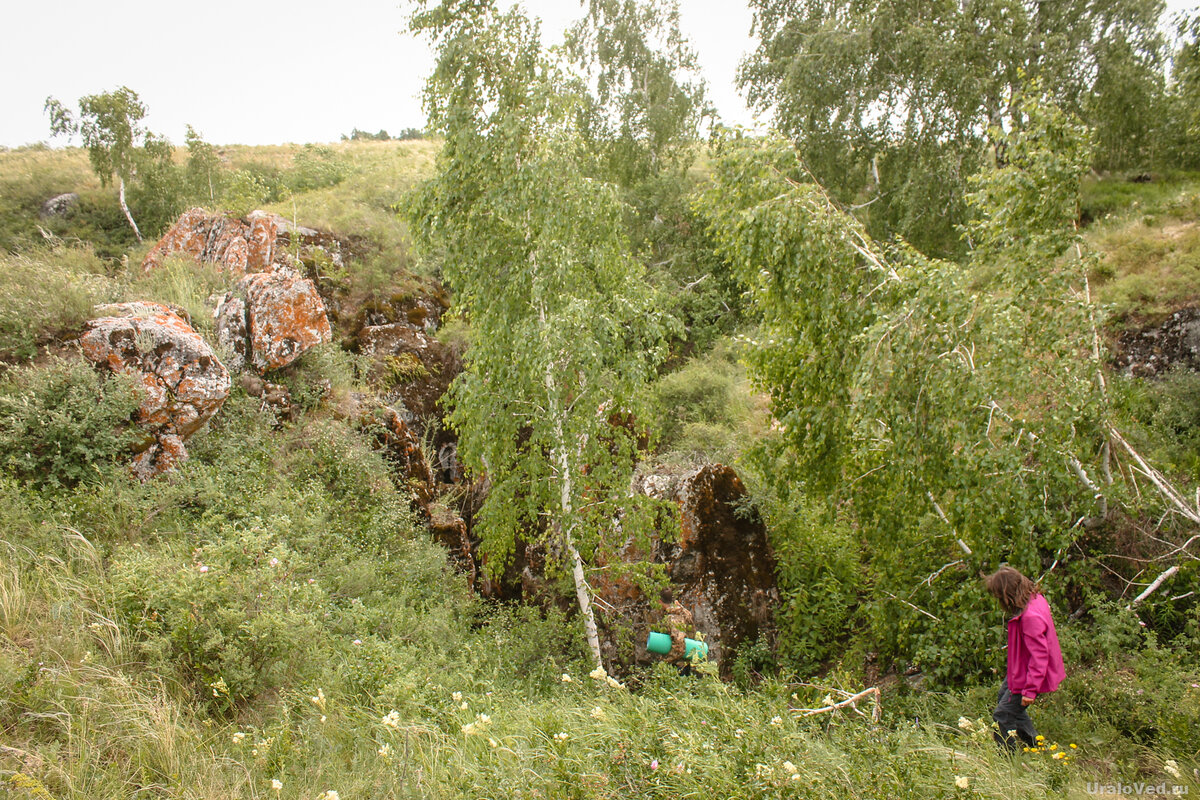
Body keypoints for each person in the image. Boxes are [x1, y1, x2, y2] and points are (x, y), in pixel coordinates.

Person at [984, 566, 1066, 751]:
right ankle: (1037, 747)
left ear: (1008, 594)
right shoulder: (1035, 599)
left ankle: (1008, 763)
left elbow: (1039, 656)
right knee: (1007, 704)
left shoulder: (1030, 617)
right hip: (1020, 670)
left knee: (1002, 716)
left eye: (999, 597)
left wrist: (1030, 690)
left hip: (1029, 675)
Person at [658, 588, 696, 673]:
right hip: (686, 660)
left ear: (660, 601)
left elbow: (679, 646)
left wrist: (665, 661)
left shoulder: (673, 618)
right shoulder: (683, 611)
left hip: (678, 665)